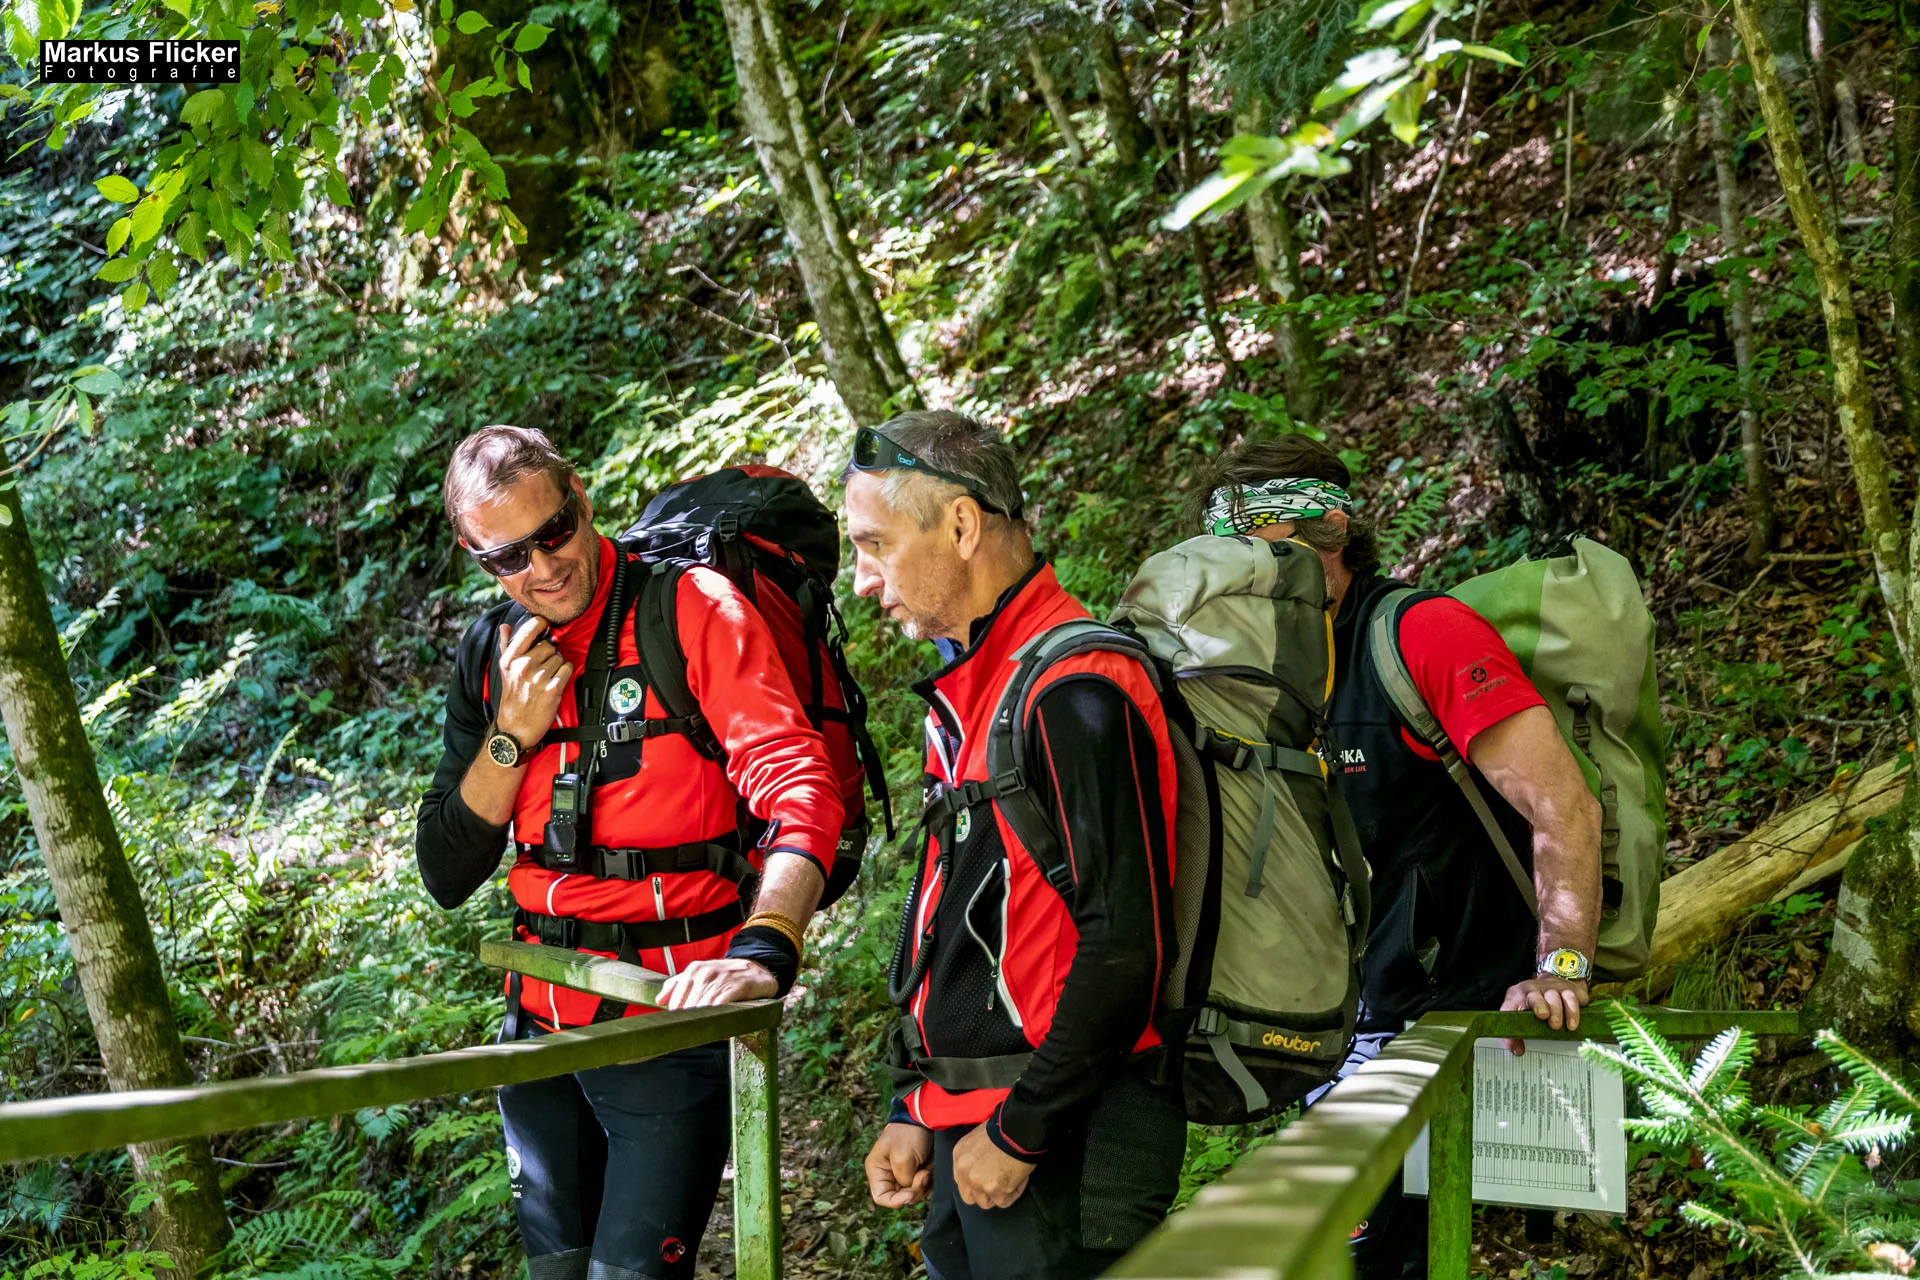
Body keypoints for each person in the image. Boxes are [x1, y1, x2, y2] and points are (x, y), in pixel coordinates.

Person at [414, 426, 844, 1280]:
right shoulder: (492, 655)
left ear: (580, 496)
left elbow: (801, 784)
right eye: (508, 557)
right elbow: (446, 869)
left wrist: (768, 946)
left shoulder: (692, 609)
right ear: (474, 555)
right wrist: (509, 739)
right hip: (537, 1027)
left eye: (555, 532)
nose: (543, 568)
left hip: (667, 1026)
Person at [1190, 435, 1604, 1280]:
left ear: (1332, 536)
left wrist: (1562, 964)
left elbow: (1563, 803)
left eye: (1267, 553)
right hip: (1340, 1025)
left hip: (1462, 1011)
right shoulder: (1263, 676)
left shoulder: (1422, 634)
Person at [847, 411, 1185, 1280]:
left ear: (961, 526)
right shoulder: (973, 692)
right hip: (983, 1128)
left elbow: (1126, 943)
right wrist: (917, 1104)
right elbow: (959, 929)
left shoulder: (1075, 691)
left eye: (875, 545)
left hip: (1063, 1139)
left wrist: (1022, 1128)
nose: (861, 579)